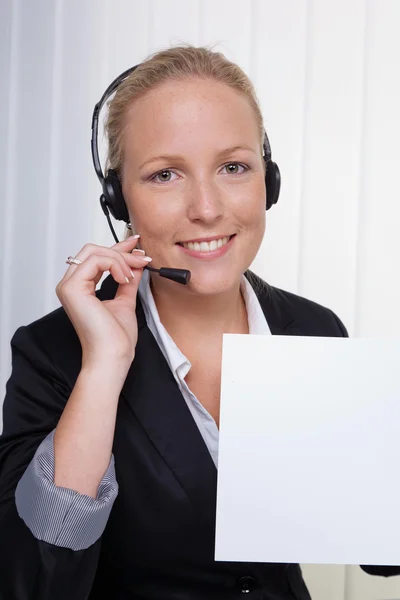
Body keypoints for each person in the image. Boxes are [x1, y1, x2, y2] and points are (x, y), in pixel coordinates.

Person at [0, 44, 398, 600]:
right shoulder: (53, 353)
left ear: (269, 180)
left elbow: (375, 547)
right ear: (118, 200)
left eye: (233, 167)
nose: (207, 208)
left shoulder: (313, 328)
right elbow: (36, 582)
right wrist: (104, 369)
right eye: (165, 175)